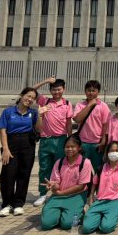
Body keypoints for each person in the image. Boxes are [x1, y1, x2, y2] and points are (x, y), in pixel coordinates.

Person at [0, 87, 43, 217]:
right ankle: (6, 204)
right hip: (11, 143)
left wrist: (40, 115)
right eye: (28, 96)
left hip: (27, 144)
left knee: (24, 174)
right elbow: (2, 130)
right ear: (22, 95)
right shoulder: (8, 112)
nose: (30, 99)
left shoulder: (33, 113)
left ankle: (18, 204)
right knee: (8, 174)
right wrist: (5, 149)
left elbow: (39, 129)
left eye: (33, 98)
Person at [33, 77, 73, 207]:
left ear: (63, 89)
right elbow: (31, 90)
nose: (56, 92)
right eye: (54, 90)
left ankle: (59, 191)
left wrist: (70, 139)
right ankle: (43, 194)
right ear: (50, 91)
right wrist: (45, 81)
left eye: (59, 89)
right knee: (44, 168)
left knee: (61, 168)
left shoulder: (67, 104)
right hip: (46, 140)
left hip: (61, 140)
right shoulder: (45, 101)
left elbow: (68, 123)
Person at [40, 135, 93, 230]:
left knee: (68, 224)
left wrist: (61, 193)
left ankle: (80, 212)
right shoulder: (59, 162)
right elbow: (56, 183)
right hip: (58, 195)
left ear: (79, 148)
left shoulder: (85, 163)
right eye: (67, 147)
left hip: (76, 195)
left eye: (72, 146)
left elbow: (81, 186)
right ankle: (58, 213)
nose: (69, 149)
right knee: (46, 224)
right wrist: (52, 186)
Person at [83, 141, 118, 234]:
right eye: (111, 150)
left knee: (106, 228)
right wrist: (91, 198)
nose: (114, 153)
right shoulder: (101, 168)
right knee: (86, 228)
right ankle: (102, 217)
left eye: (116, 150)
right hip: (100, 201)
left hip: (115, 202)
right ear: (107, 152)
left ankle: (110, 217)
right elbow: (94, 183)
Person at [73, 80, 110, 170]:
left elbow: (105, 125)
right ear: (85, 91)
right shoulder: (80, 105)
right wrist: (89, 105)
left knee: (99, 169)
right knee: (82, 169)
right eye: (89, 90)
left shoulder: (103, 106)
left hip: (97, 143)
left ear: (98, 92)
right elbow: (77, 119)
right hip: (82, 143)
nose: (91, 93)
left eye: (94, 90)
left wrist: (103, 141)